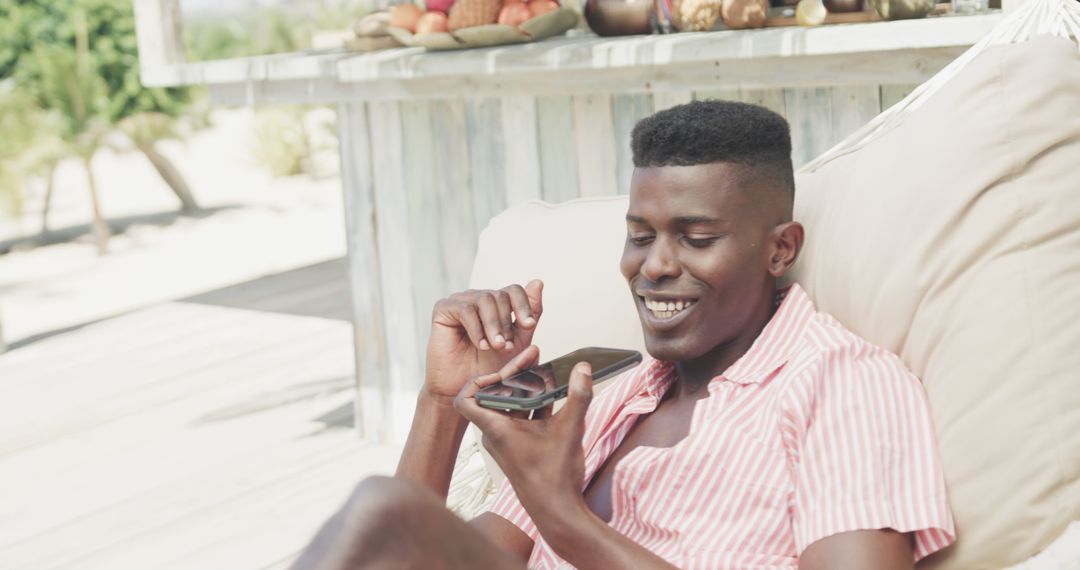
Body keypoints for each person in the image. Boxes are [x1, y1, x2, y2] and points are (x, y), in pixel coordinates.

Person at [293, 101, 955, 569]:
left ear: (779, 249)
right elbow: (436, 559)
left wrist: (564, 517)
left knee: (383, 515)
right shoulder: (611, 398)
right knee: (387, 521)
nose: (654, 265)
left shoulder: (843, 385)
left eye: (696, 239)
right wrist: (444, 403)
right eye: (640, 236)